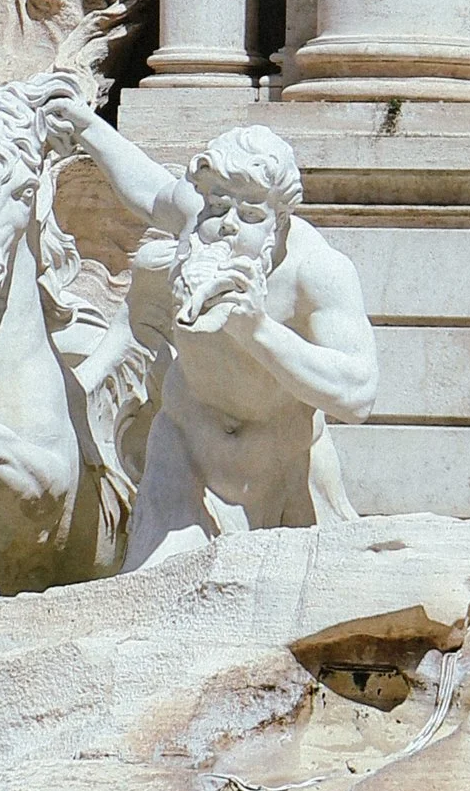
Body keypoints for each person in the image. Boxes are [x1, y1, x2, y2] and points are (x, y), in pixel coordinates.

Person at [41, 100, 377, 559]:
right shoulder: (196, 221)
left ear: (280, 224)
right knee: (149, 595)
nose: (226, 226)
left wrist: (257, 330)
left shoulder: (317, 272)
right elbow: (147, 189)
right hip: (186, 451)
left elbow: (358, 393)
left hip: (288, 466)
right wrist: (87, 127)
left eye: (251, 216)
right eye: (217, 206)